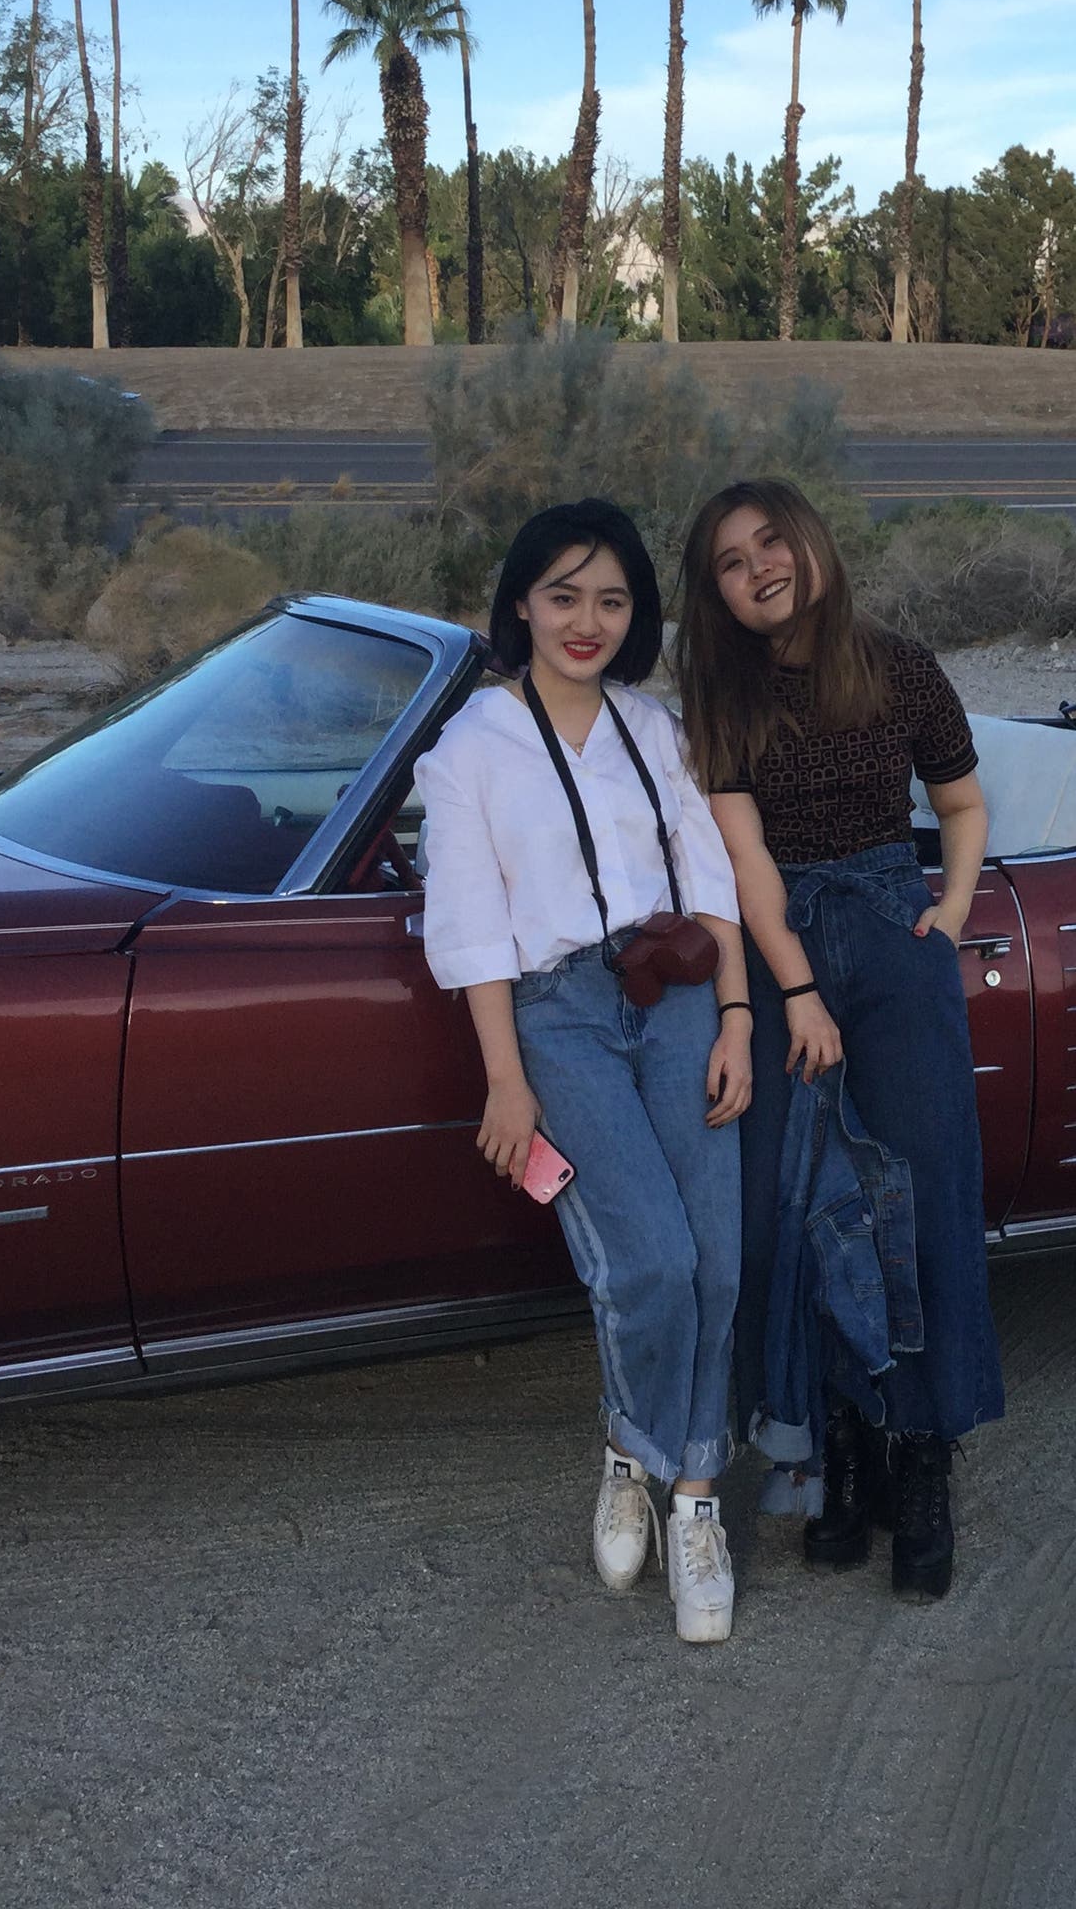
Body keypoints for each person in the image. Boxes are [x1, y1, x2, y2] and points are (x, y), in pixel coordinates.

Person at [412, 500, 755, 1645]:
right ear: (522, 602)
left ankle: (694, 1498)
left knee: (717, 1261)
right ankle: (628, 1445)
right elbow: (471, 929)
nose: (586, 621)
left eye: (611, 600)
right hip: (557, 1016)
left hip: (677, 997)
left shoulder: (655, 732)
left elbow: (712, 884)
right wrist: (505, 1081)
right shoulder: (470, 751)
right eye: (563, 596)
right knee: (651, 1261)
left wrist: (737, 1020)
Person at [676, 477, 1006, 1603]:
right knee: (795, 1205)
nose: (757, 568)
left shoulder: (901, 666)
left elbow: (960, 805)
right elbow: (746, 863)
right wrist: (800, 991)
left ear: (811, 544)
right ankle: (840, 1448)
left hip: (896, 934)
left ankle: (921, 1457)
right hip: (786, 952)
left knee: (922, 1191)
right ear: (715, 592)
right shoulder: (720, 691)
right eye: (730, 561)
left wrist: (947, 916)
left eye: (771, 542)